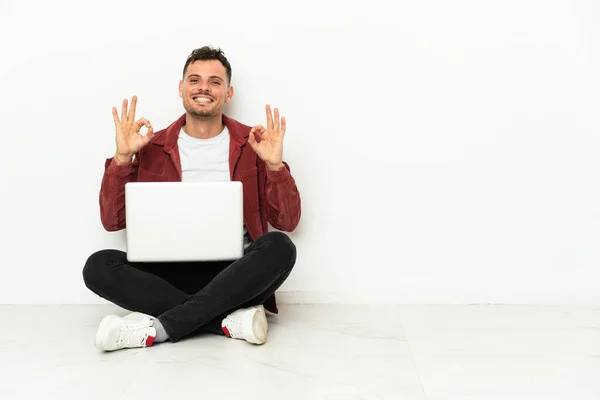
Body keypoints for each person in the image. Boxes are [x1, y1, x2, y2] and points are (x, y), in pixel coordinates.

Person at [82, 46, 301, 352]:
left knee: (281, 247)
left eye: (215, 81)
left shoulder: (254, 143)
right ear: (181, 88)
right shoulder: (151, 144)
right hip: (165, 276)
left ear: (229, 92)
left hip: (234, 275)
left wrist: (275, 167)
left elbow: (288, 222)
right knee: (98, 266)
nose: (204, 88)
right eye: (195, 80)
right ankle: (225, 321)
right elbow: (112, 221)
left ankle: (158, 329)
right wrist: (122, 158)